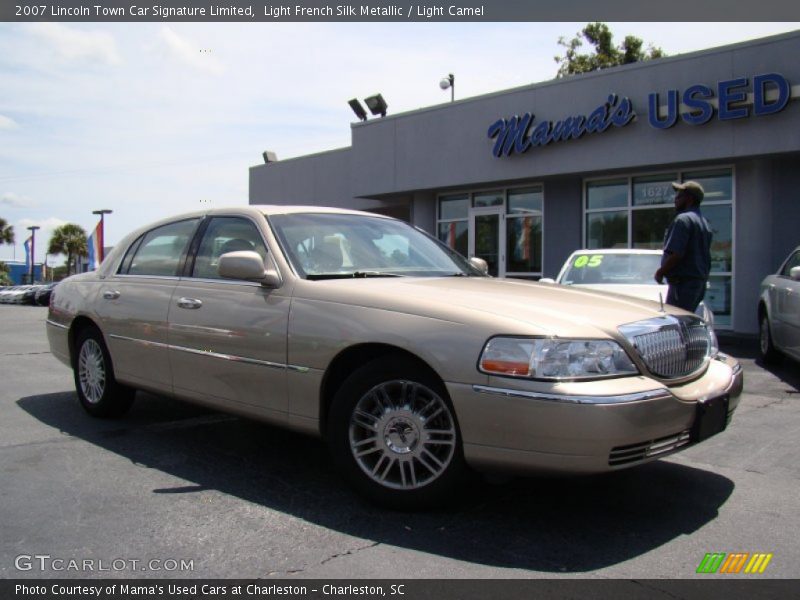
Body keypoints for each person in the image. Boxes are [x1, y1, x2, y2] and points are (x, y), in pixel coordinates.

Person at [654, 180, 713, 312]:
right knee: (686, 322)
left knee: (675, 323)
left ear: (690, 199)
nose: (675, 199)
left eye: (679, 196)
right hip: (697, 284)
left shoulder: (683, 220)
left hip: (682, 285)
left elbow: (677, 254)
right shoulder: (704, 222)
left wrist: (660, 272)